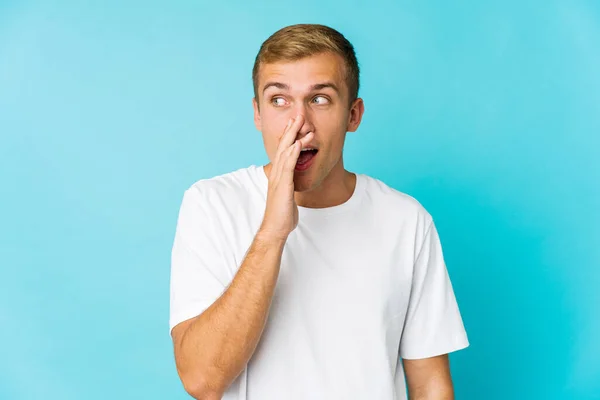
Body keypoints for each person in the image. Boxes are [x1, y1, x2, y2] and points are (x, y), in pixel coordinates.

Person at [169, 23, 469, 400]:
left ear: (353, 115)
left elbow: (430, 384)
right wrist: (272, 234)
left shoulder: (407, 221)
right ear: (257, 114)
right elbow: (201, 380)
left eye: (320, 99)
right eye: (279, 100)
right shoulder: (212, 204)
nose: (299, 125)